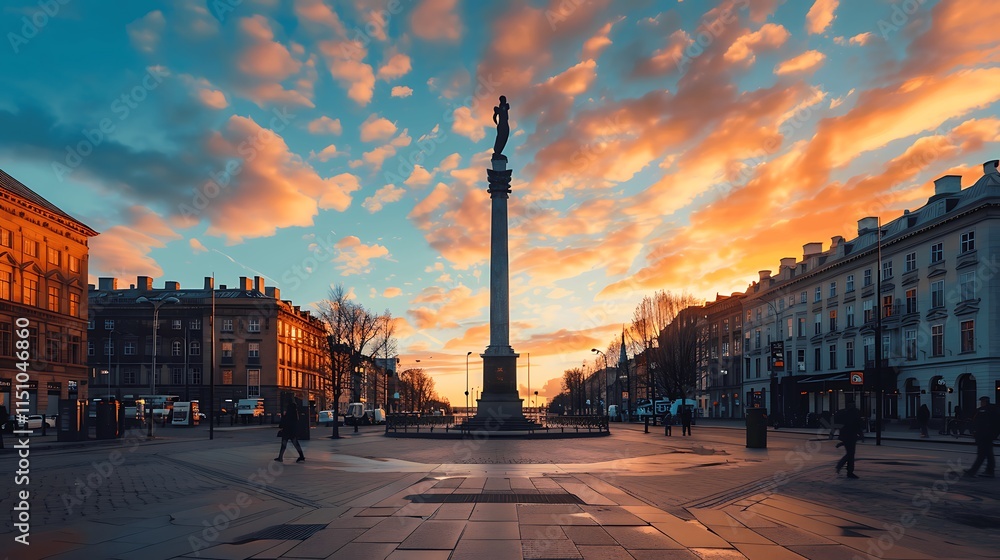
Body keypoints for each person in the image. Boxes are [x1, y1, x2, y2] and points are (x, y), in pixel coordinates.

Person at [965, 396, 998, 478]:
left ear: (985, 402)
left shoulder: (983, 411)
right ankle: (990, 471)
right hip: (988, 435)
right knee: (989, 453)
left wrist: (975, 432)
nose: (981, 403)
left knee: (981, 454)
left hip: (983, 436)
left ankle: (972, 471)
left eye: (982, 401)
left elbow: (978, 423)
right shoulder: (993, 410)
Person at [836, 402, 864, 479]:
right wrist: (861, 435)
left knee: (850, 453)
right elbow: (857, 426)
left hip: (846, 436)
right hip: (851, 436)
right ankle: (847, 469)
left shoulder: (845, 414)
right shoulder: (855, 414)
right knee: (851, 454)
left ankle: (847, 469)